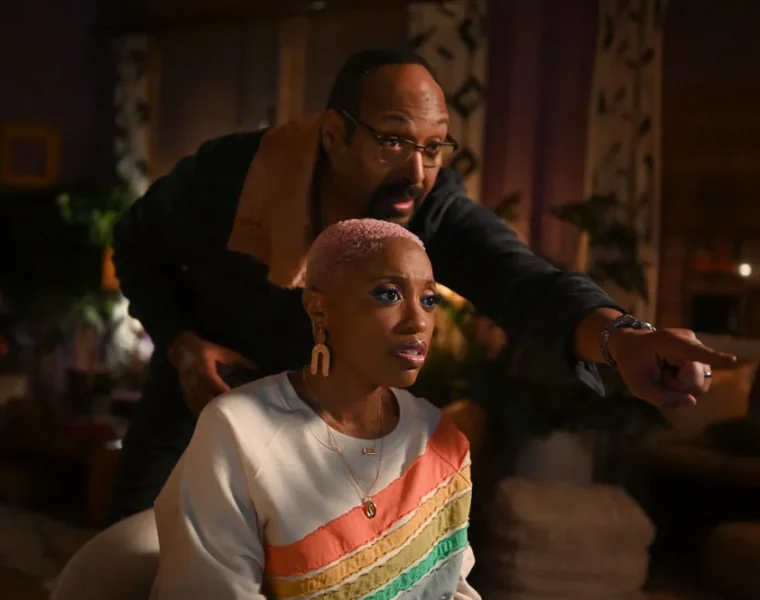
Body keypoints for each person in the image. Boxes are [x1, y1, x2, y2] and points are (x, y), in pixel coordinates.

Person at [109, 48, 736, 523]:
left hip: (321, 437)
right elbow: (135, 246)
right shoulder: (229, 176)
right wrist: (180, 341)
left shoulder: (427, 209)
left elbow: (522, 280)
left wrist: (622, 339)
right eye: (393, 141)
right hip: (196, 410)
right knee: (133, 563)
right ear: (335, 135)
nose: (416, 171)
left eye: (434, 148)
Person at [150, 219, 481, 600]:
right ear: (318, 308)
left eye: (429, 300)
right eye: (389, 295)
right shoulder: (238, 430)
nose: (418, 321)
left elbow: (451, 587)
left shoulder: (439, 438)